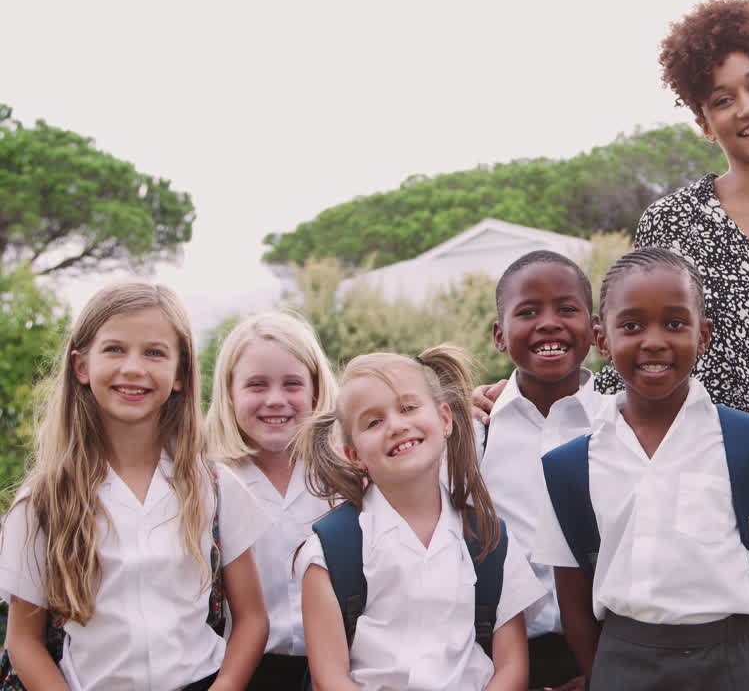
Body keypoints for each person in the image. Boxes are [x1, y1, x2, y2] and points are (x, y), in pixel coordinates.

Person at [474, 0, 749, 463]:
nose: (747, 107)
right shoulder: (672, 224)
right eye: (723, 100)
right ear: (704, 123)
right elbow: (637, 358)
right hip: (715, 483)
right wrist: (529, 396)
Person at [532, 247, 749, 690]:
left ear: (704, 336)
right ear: (602, 339)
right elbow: (575, 607)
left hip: (739, 661)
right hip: (626, 662)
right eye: (632, 325)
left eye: (675, 324)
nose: (654, 340)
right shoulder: (569, 467)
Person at [0, 281, 268, 690]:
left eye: (154, 353)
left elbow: (251, 619)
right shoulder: (41, 503)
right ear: (81, 367)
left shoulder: (216, 488)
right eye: (115, 349)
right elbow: (23, 641)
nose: (133, 368)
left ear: (179, 374)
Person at [294, 345, 545, 691]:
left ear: (444, 420)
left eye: (408, 407)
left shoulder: (490, 540)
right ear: (354, 455)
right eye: (373, 421)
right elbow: (330, 679)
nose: (396, 425)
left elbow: (512, 666)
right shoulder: (328, 553)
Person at [480, 251, 602, 690]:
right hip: (499, 659)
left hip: (606, 654)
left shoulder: (619, 423)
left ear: (595, 328)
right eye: (528, 312)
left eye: (567, 309)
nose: (548, 323)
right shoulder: (474, 433)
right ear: (499, 334)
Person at [204, 311, 340, 689]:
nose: (276, 400)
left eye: (292, 384)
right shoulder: (209, 481)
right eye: (257, 385)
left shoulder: (347, 475)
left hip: (338, 670)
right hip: (242, 672)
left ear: (315, 389)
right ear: (229, 394)